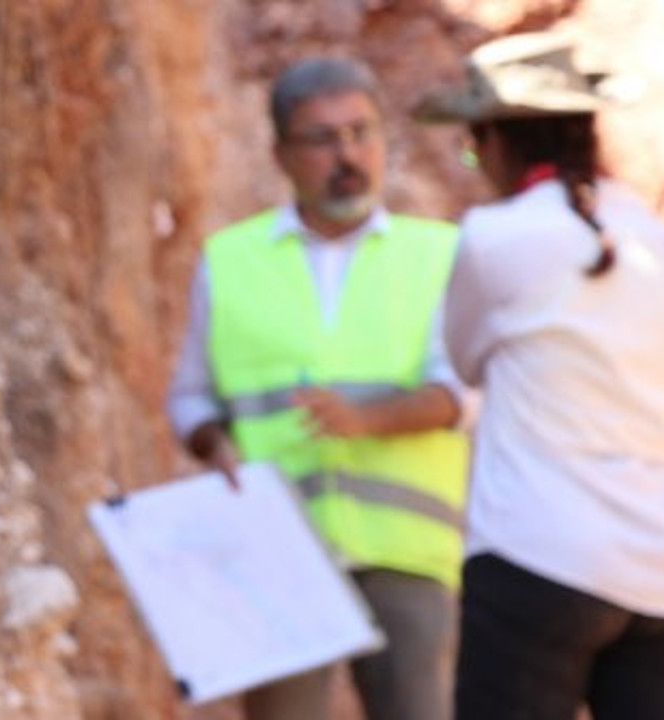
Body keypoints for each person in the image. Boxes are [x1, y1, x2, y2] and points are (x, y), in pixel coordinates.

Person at [415, 31, 664, 720]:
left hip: (537, 555)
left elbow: (461, 361)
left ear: (497, 142)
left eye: (475, 147)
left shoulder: (492, 239)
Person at [167, 56, 472, 720]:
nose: (348, 154)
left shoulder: (440, 254)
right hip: (279, 549)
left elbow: (463, 395)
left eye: (362, 133)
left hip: (406, 552)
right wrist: (213, 443)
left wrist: (366, 421)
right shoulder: (229, 262)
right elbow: (191, 397)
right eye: (324, 138)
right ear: (281, 153)